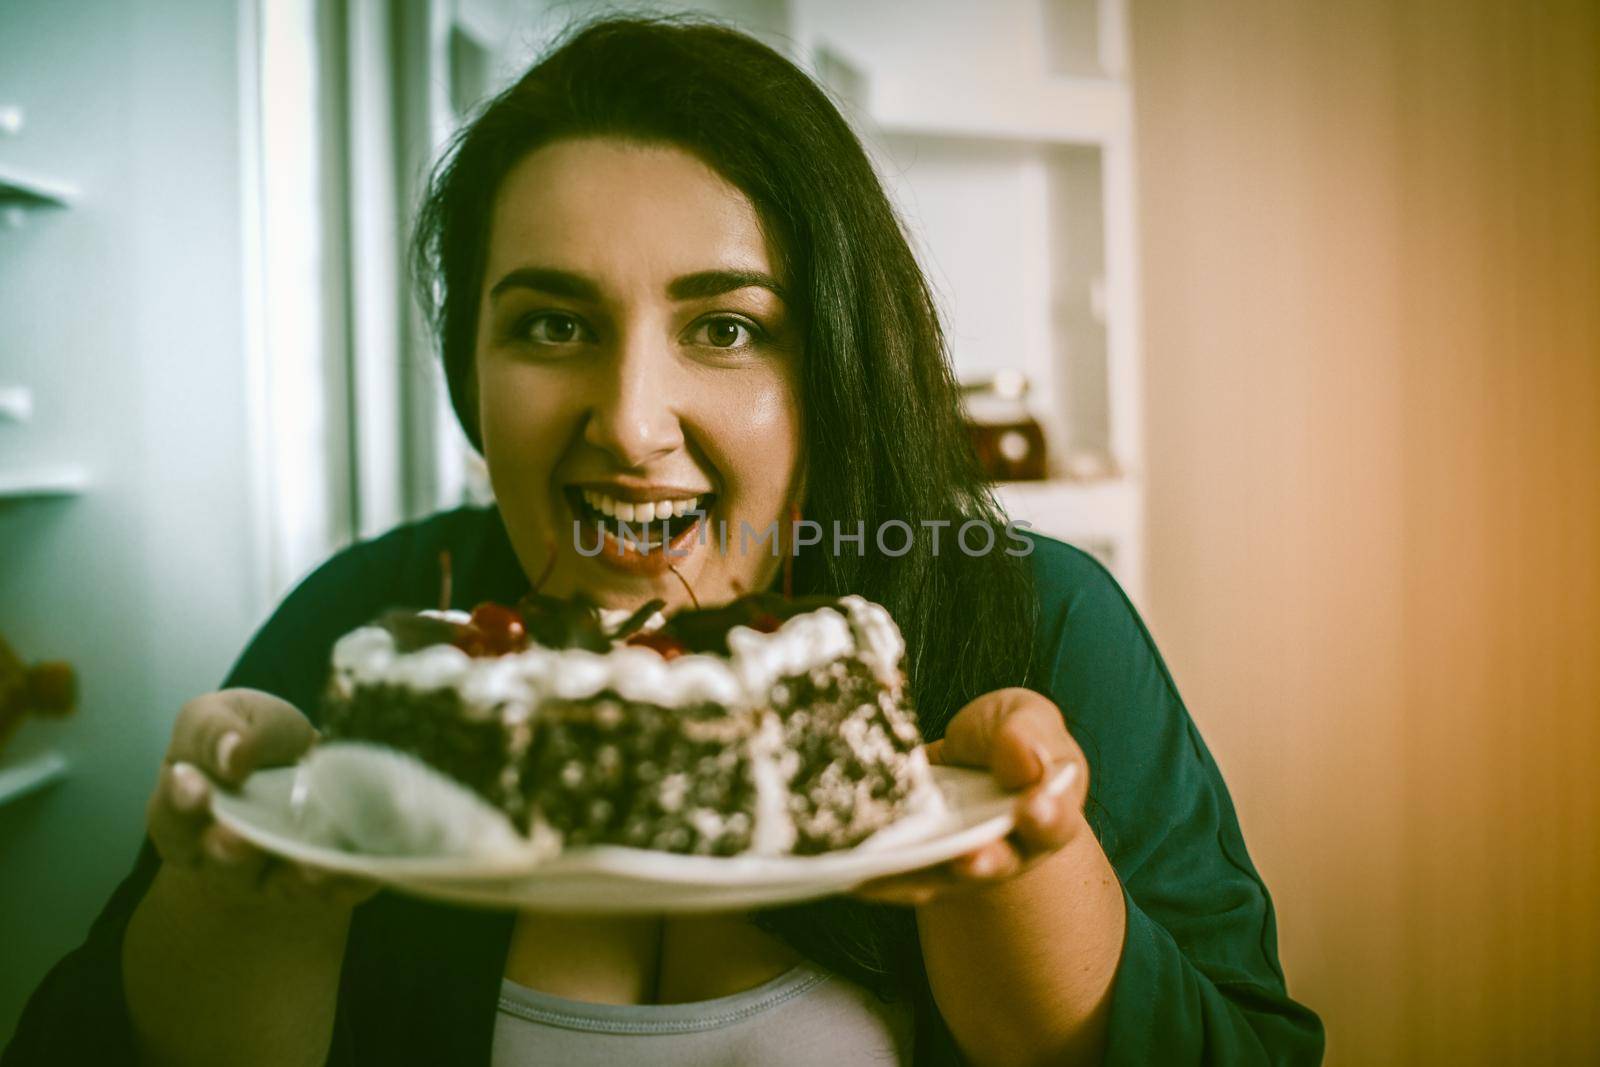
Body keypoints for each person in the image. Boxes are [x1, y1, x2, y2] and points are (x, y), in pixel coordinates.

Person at [3, 16, 1323, 1067]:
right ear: (472, 361)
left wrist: (1025, 891)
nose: (631, 424)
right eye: (555, 324)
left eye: (728, 326)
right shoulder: (378, 632)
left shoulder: (1028, 620)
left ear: (840, 365)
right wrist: (238, 899)